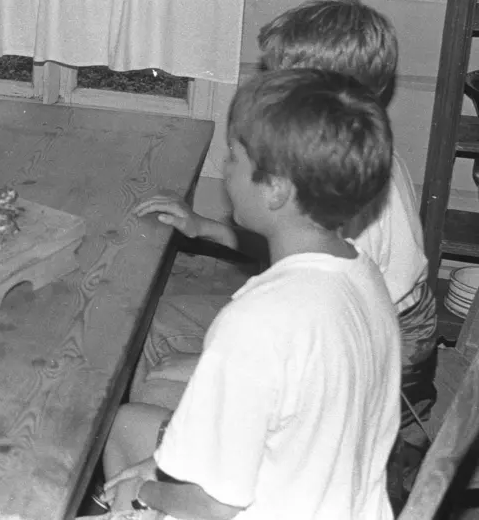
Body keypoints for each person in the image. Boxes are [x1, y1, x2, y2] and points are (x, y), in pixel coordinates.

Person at [129, 0, 436, 503]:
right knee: (162, 330)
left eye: (279, 81)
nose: (268, 88)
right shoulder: (348, 173)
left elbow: (289, 336)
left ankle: (163, 444)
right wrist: (204, 228)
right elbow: (293, 239)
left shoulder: (353, 230)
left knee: (156, 354)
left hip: (379, 360)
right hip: (361, 341)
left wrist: (149, 480)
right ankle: (169, 437)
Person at [102, 68, 401, 518]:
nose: (225, 168)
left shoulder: (255, 321)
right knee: (126, 425)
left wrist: (146, 492)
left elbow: (214, 507)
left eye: (235, 158)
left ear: (276, 189)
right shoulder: (363, 275)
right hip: (337, 501)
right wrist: (152, 467)